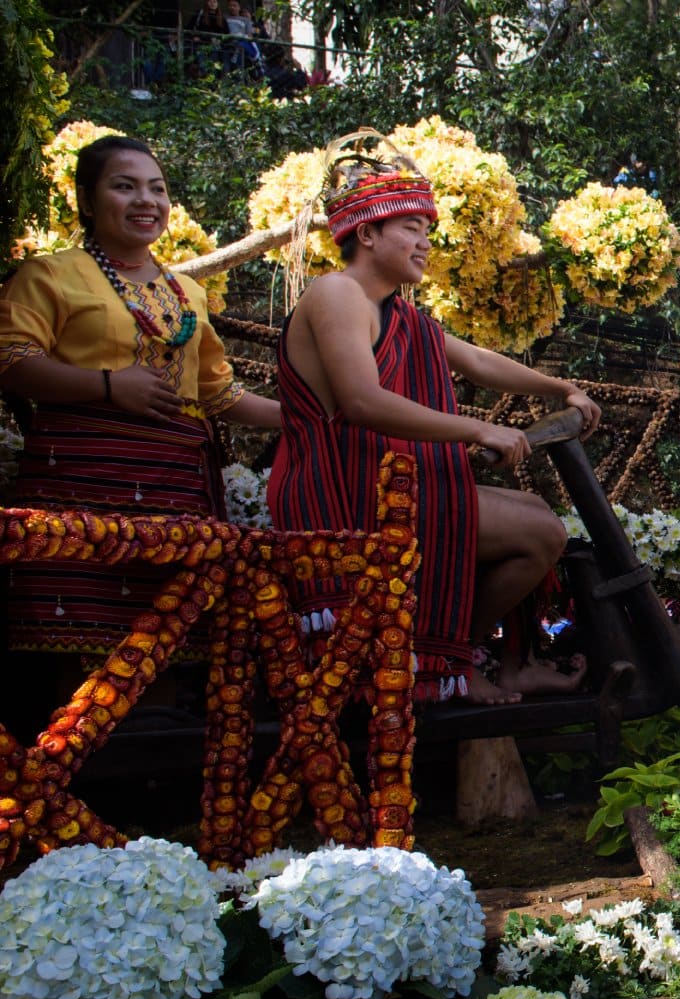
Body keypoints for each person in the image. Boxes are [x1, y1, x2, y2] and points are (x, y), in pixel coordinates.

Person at [267, 147, 603, 705]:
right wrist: (475, 430)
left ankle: (506, 664)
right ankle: (452, 659)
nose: (425, 241)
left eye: (427, 228)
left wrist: (559, 388)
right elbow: (359, 400)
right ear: (367, 234)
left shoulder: (402, 315)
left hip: (386, 485)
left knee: (539, 516)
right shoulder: (337, 293)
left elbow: (477, 361)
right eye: (411, 227)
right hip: (341, 492)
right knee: (541, 535)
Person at [0, 136, 282, 656]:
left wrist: (301, 417)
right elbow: (12, 362)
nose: (146, 201)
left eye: (157, 189)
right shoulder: (50, 274)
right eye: (124, 187)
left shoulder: (187, 292)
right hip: (83, 480)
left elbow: (217, 394)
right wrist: (109, 385)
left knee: (166, 642)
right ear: (86, 200)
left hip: (175, 486)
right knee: (77, 649)